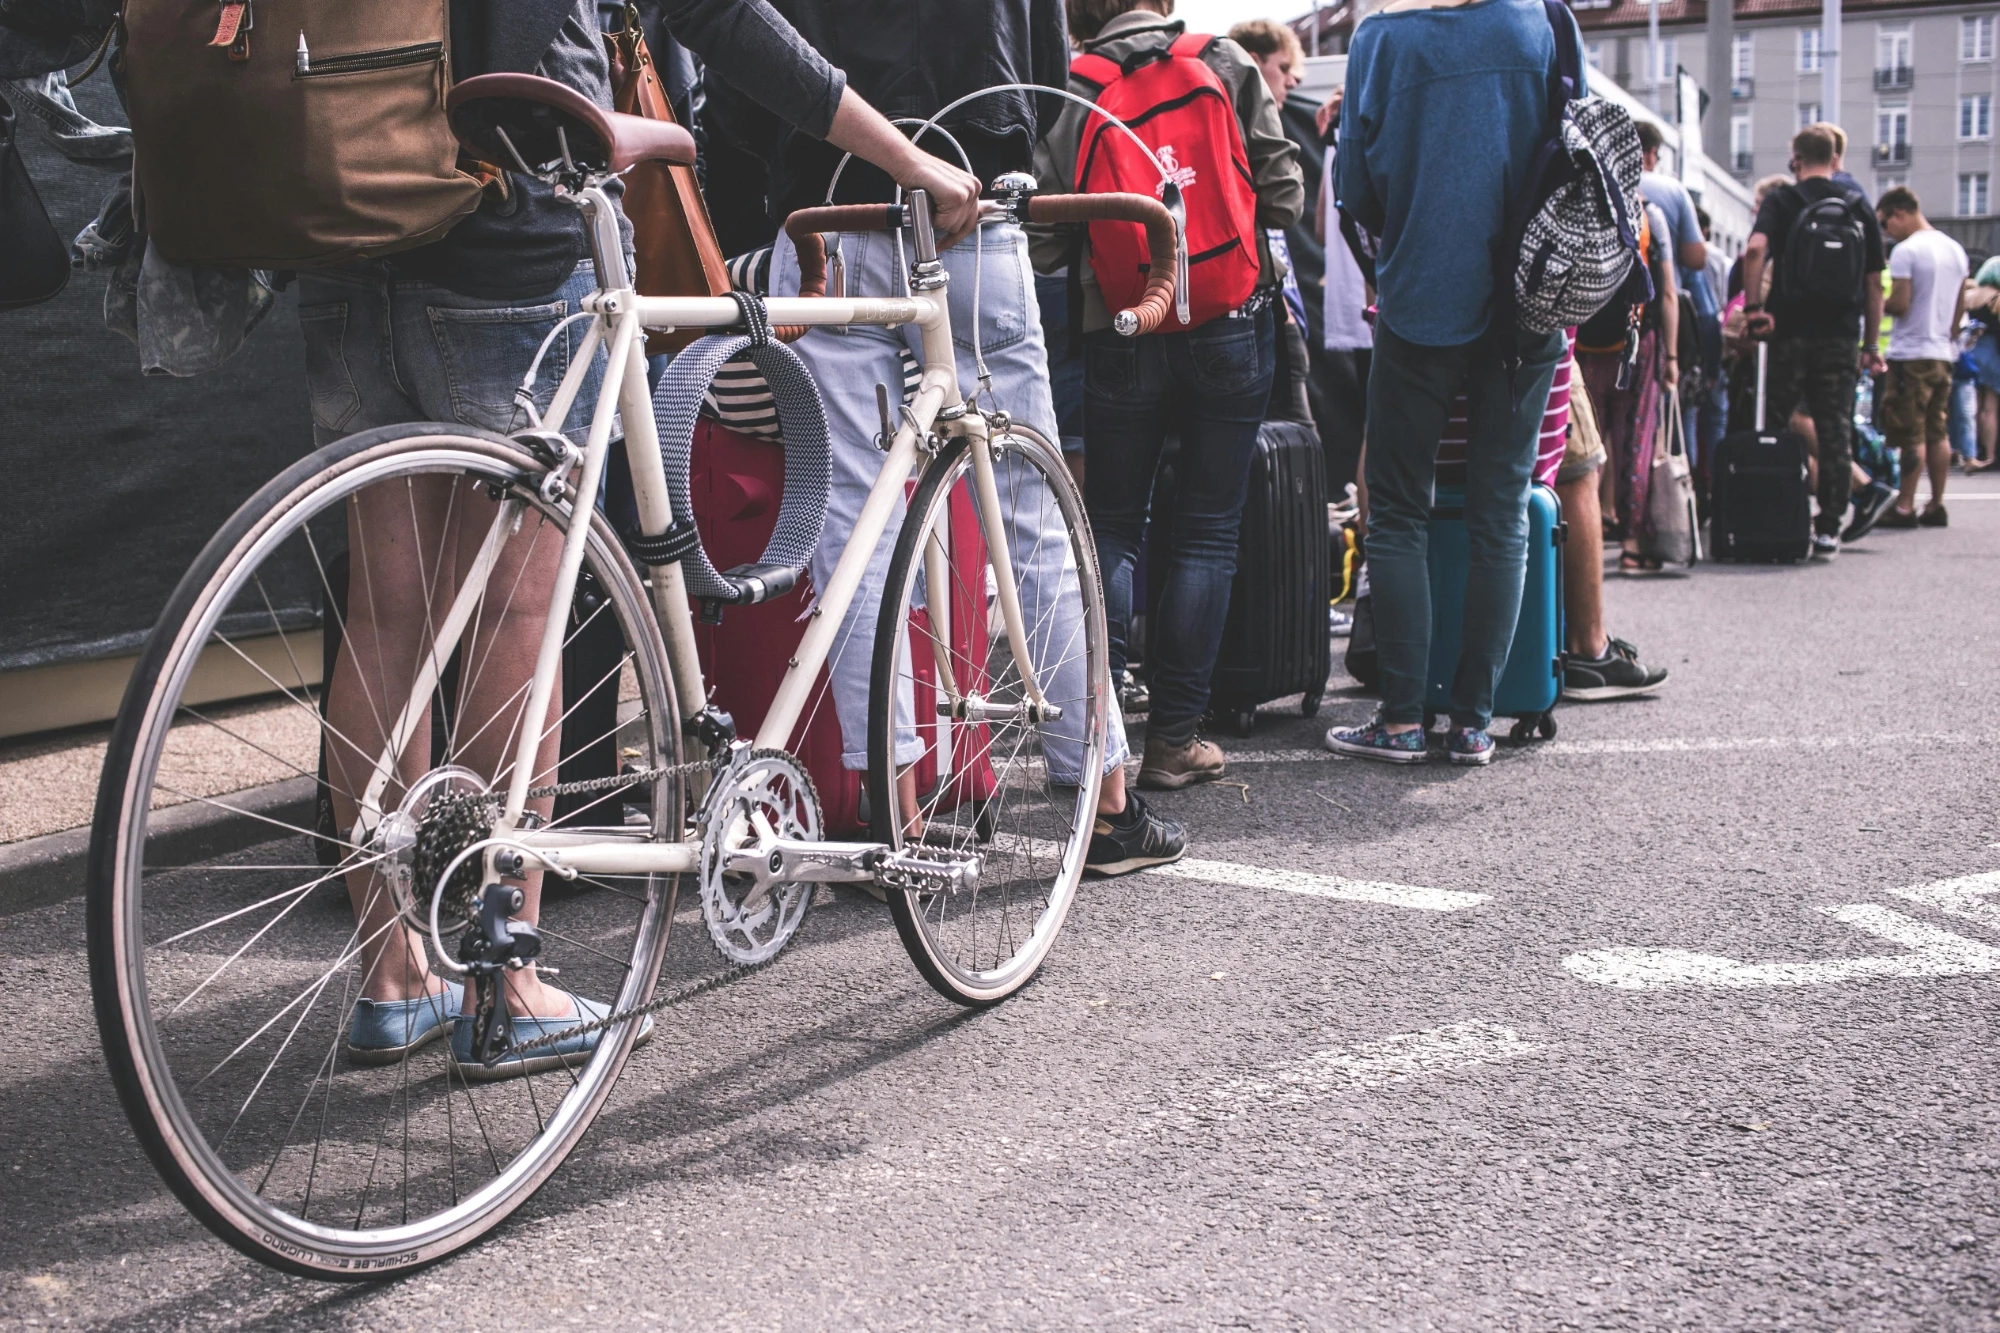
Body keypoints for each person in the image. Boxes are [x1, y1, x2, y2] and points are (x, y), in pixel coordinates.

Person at [319, 0, 1001, 1072]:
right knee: (517, 607)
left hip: (355, 213)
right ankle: (510, 978)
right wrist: (904, 157)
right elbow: (721, 17)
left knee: (388, 609)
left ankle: (392, 973)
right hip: (511, 220)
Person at [760, 0, 1187, 876]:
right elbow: (1045, 73)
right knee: (1033, 517)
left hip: (825, 209)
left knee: (855, 519)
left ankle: (894, 809)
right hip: (970, 201)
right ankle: (1100, 800)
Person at [1032, 0, 1303, 790]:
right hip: (1229, 316)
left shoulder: (1068, 86)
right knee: (1208, 531)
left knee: (1112, 528)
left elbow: (1047, 238)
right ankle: (1174, 740)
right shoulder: (1221, 59)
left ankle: (1101, 741)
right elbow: (1282, 196)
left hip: (1119, 322)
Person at [1324, 0, 1572, 766]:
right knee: (1503, 511)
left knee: (1397, 511)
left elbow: (1357, 186)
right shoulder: (1543, 22)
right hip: (1526, 305)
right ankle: (1473, 721)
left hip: (1422, 294)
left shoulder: (1383, 39)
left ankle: (1400, 718)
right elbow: (1576, 149)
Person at [1738, 124, 1886, 558]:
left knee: (1776, 421)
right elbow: (1875, 283)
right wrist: (1870, 345)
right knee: (1834, 428)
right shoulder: (1858, 205)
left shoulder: (1783, 199)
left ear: (1795, 158)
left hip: (1788, 330)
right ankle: (1828, 529)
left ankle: (1774, 513)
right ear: (1836, 159)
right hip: (1840, 336)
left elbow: (1754, 249)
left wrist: (1752, 309)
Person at [1872, 186, 1968, 529]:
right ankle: (1936, 503)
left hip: (1911, 352)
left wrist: (1873, 303)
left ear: (1899, 213)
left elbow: (1900, 303)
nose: (1885, 231)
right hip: (1942, 351)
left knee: (1909, 432)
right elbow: (1960, 307)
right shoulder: (1955, 250)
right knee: (1937, 429)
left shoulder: (1906, 251)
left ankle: (1904, 506)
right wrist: (1948, 333)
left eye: (1885, 223)